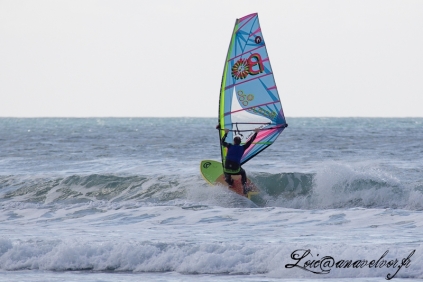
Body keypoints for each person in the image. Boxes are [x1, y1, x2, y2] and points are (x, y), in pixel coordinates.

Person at [220, 127, 259, 194]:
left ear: (234, 142)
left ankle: (229, 182)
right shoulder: (243, 147)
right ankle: (245, 188)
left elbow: (222, 142)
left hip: (226, 169)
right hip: (236, 170)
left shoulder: (229, 146)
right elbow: (250, 141)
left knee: (226, 170)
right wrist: (256, 132)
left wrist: (226, 133)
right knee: (243, 172)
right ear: (240, 142)